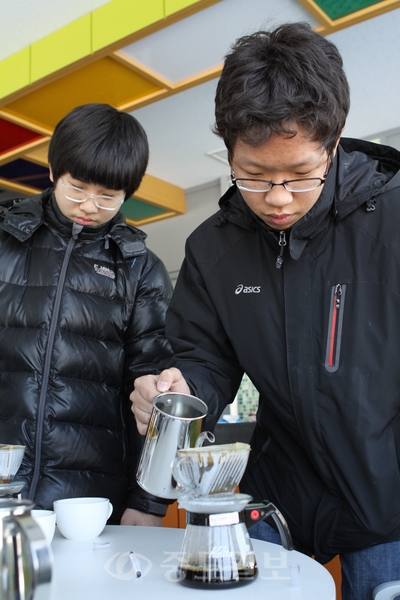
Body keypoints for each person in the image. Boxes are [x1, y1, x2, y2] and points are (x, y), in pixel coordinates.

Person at [130, 21, 400, 599]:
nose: (277, 198)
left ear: (335, 140)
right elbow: (203, 358)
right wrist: (179, 387)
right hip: (282, 493)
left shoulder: (393, 219)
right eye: (253, 177)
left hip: (390, 495)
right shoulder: (213, 249)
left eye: (300, 176)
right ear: (228, 149)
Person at [0, 103, 173, 526]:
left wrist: (148, 503)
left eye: (108, 197)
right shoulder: (4, 242)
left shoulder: (138, 268)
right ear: (54, 172)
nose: (90, 206)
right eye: (76, 188)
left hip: (90, 504)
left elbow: (155, 395)